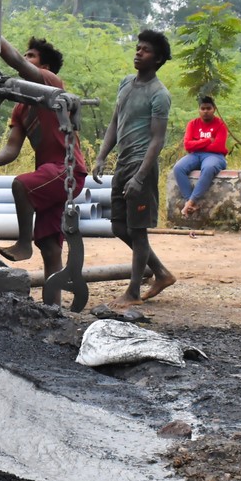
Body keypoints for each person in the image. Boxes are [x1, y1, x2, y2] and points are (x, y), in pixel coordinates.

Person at [0, 36, 88, 288]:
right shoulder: (21, 108)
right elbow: (11, 150)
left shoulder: (51, 83)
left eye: (31, 56)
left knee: (21, 185)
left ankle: (23, 244)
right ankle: (53, 305)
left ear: (44, 68)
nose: (25, 59)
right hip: (49, 177)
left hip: (66, 171)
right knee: (49, 245)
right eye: (26, 55)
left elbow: (15, 61)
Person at [91, 29, 177, 309]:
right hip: (123, 163)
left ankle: (133, 292)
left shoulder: (159, 94)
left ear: (158, 59)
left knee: (138, 231)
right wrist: (101, 157)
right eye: (138, 47)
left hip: (142, 167)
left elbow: (157, 139)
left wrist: (140, 176)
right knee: (119, 227)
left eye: (146, 50)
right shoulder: (126, 83)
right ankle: (161, 273)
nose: (139, 52)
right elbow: (115, 123)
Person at [172, 96, 229, 217]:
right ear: (199, 110)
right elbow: (187, 145)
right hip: (195, 155)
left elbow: (218, 146)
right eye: (203, 108)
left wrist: (196, 144)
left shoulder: (220, 125)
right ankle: (190, 202)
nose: (205, 111)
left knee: (208, 168)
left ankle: (190, 202)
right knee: (178, 168)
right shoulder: (193, 124)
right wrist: (207, 140)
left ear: (214, 109)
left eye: (208, 108)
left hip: (215, 156)